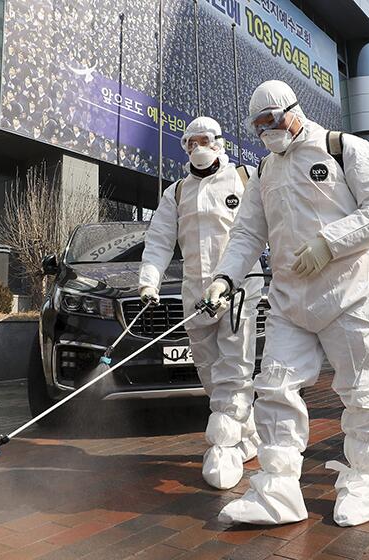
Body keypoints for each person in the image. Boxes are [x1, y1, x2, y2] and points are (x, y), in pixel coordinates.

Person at [203, 80, 369, 526]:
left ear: (293, 110)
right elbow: (248, 233)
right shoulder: (263, 173)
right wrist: (223, 278)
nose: (266, 132)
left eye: (271, 121)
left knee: (361, 389)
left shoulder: (341, 148)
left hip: (350, 291)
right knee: (274, 387)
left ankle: (365, 480)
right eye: (257, 127)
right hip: (291, 299)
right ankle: (277, 488)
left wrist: (329, 243)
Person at [138, 116, 262, 490]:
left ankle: (223, 447)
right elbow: (159, 240)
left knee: (235, 366)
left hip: (239, 289)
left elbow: (269, 225)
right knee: (209, 371)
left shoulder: (246, 178)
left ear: (220, 142)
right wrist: (149, 282)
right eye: (189, 143)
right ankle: (248, 433)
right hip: (195, 295)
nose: (196, 148)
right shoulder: (176, 192)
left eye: (203, 140)